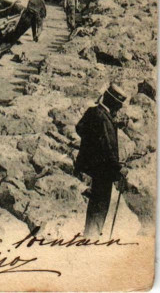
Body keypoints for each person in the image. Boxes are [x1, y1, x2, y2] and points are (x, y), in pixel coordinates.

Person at [74, 83, 128, 237]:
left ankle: (88, 237)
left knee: (93, 208)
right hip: (102, 172)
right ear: (112, 103)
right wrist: (119, 168)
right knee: (99, 208)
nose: (119, 109)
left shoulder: (93, 112)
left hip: (89, 169)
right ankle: (91, 240)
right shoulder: (104, 120)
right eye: (118, 106)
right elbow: (108, 148)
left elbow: (80, 128)